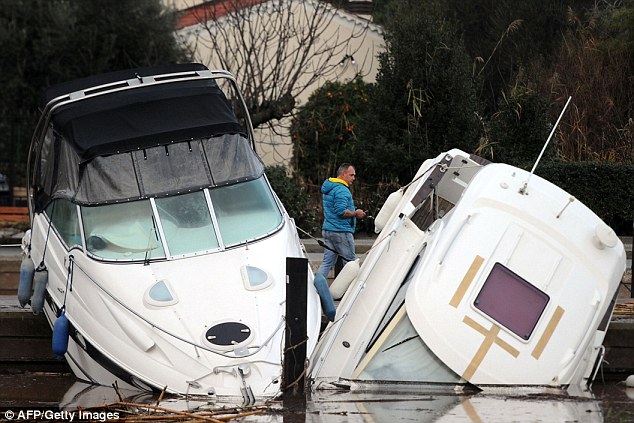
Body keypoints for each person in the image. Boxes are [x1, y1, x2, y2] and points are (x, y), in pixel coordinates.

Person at [316, 163, 366, 280]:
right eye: (351, 175)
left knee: (327, 262)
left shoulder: (329, 187)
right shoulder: (342, 190)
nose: (354, 178)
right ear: (343, 174)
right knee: (350, 264)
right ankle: (351, 294)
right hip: (341, 231)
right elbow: (341, 212)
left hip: (328, 229)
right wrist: (356, 213)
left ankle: (316, 288)